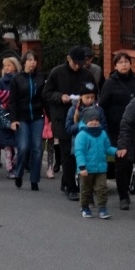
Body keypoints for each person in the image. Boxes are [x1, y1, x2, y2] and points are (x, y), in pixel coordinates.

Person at [42, 47, 92, 201]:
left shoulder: (86, 74)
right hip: (62, 118)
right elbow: (46, 93)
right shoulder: (57, 72)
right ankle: (71, 187)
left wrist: (86, 98)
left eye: (80, 64)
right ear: (68, 59)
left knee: (80, 152)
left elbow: (94, 91)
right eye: (75, 63)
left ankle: (67, 182)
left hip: (82, 117)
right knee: (67, 154)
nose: (77, 66)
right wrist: (60, 97)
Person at [99, 51, 135, 210]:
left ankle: (128, 185)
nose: (124, 64)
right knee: (121, 160)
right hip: (115, 128)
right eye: (120, 62)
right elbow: (102, 105)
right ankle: (123, 195)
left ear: (130, 64)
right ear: (115, 65)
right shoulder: (110, 83)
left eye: (126, 61)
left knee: (130, 159)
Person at [8, 51, 45, 191]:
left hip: (37, 116)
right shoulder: (16, 79)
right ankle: (19, 173)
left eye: (35, 60)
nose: (33, 62)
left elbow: (44, 98)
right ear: (24, 62)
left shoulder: (40, 78)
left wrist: (50, 118)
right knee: (23, 147)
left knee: (37, 148)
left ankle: (34, 179)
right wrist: (13, 120)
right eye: (30, 60)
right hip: (22, 118)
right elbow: (12, 102)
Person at [75, 106, 118, 219]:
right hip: (86, 169)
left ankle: (102, 208)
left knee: (102, 188)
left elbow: (107, 148)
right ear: (85, 120)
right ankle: (85, 207)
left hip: (101, 168)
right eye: (91, 120)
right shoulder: (82, 135)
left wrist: (116, 152)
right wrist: (82, 167)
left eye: (96, 120)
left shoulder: (102, 134)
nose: (94, 122)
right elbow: (79, 152)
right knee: (86, 189)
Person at [0, 56, 21, 175]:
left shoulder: (18, 79)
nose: (6, 68)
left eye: (9, 65)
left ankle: (16, 165)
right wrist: (9, 96)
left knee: (17, 146)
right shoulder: (2, 81)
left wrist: (9, 95)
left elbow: (19, 95)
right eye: (5, 66)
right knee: (7, 147)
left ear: (15, 67)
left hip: (16, 114)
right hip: (5, 114)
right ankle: (10, 168)